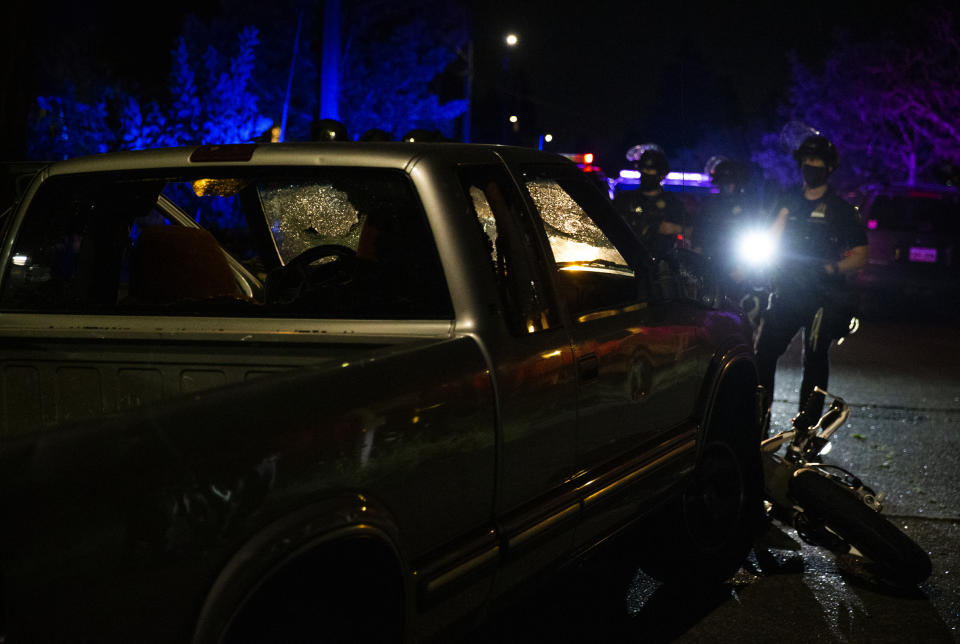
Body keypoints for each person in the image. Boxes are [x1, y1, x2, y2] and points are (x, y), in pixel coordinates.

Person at [755, 134, 868, 428]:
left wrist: (832, 269)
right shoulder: (789, 201)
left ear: (829, 168)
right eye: (807, 163)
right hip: (786, 292)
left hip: (823, 297)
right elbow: (772, 236)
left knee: (815, 359)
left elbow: (860, 255)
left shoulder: (841, 210)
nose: (811, 168)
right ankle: (758, 416)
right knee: (764, 353)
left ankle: (807, 428)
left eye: (817, 163)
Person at [612, 143, 690, 260]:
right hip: (628, 261)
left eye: (651, 172)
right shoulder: (624, 200)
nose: (647, 175)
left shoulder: (673, 204)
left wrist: (676, 229)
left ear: (661, 175)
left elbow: (694, 233)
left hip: (662, 267)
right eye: (644, 171)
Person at [694, 156, 754, 298]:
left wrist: (746, 268)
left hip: (741, 266)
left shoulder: (749, 207)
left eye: (731, 183)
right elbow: (699, 237)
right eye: (724, 183)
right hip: (712, 264)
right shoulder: (708, 206)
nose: (729, 187)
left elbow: (757, 237)